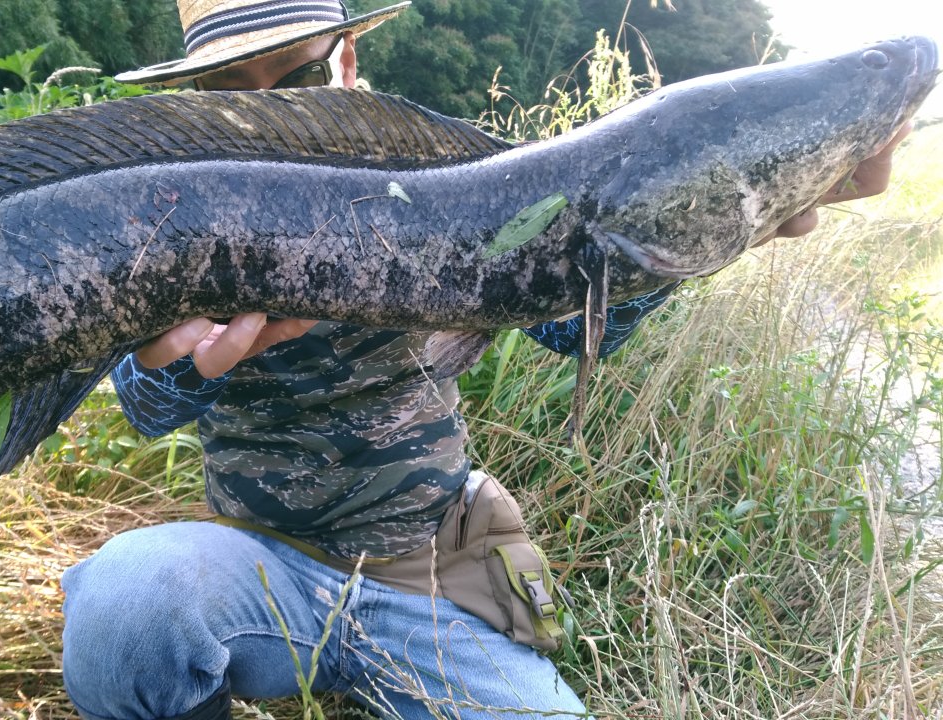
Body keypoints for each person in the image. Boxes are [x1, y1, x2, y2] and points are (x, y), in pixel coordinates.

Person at [60, 3, 911, 719]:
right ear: (196, 97)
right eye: (228, 87)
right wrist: (185, 365)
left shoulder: (461, 169)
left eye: (299, 75)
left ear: (346, 58)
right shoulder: (178, 211)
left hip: (430, 576)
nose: (268, 108)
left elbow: (578, 331)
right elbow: (144, 407)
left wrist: (705, 227)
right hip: (257, 573)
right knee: (124, 606)